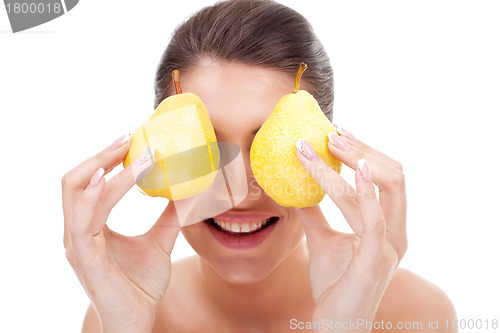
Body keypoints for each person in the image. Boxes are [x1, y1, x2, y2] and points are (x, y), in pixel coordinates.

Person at [62, 1, 457, 332]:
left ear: (332, 153)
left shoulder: (417, 316)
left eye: (273, 146)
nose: (240, 189)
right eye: (208, 147)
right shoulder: (115, 315)